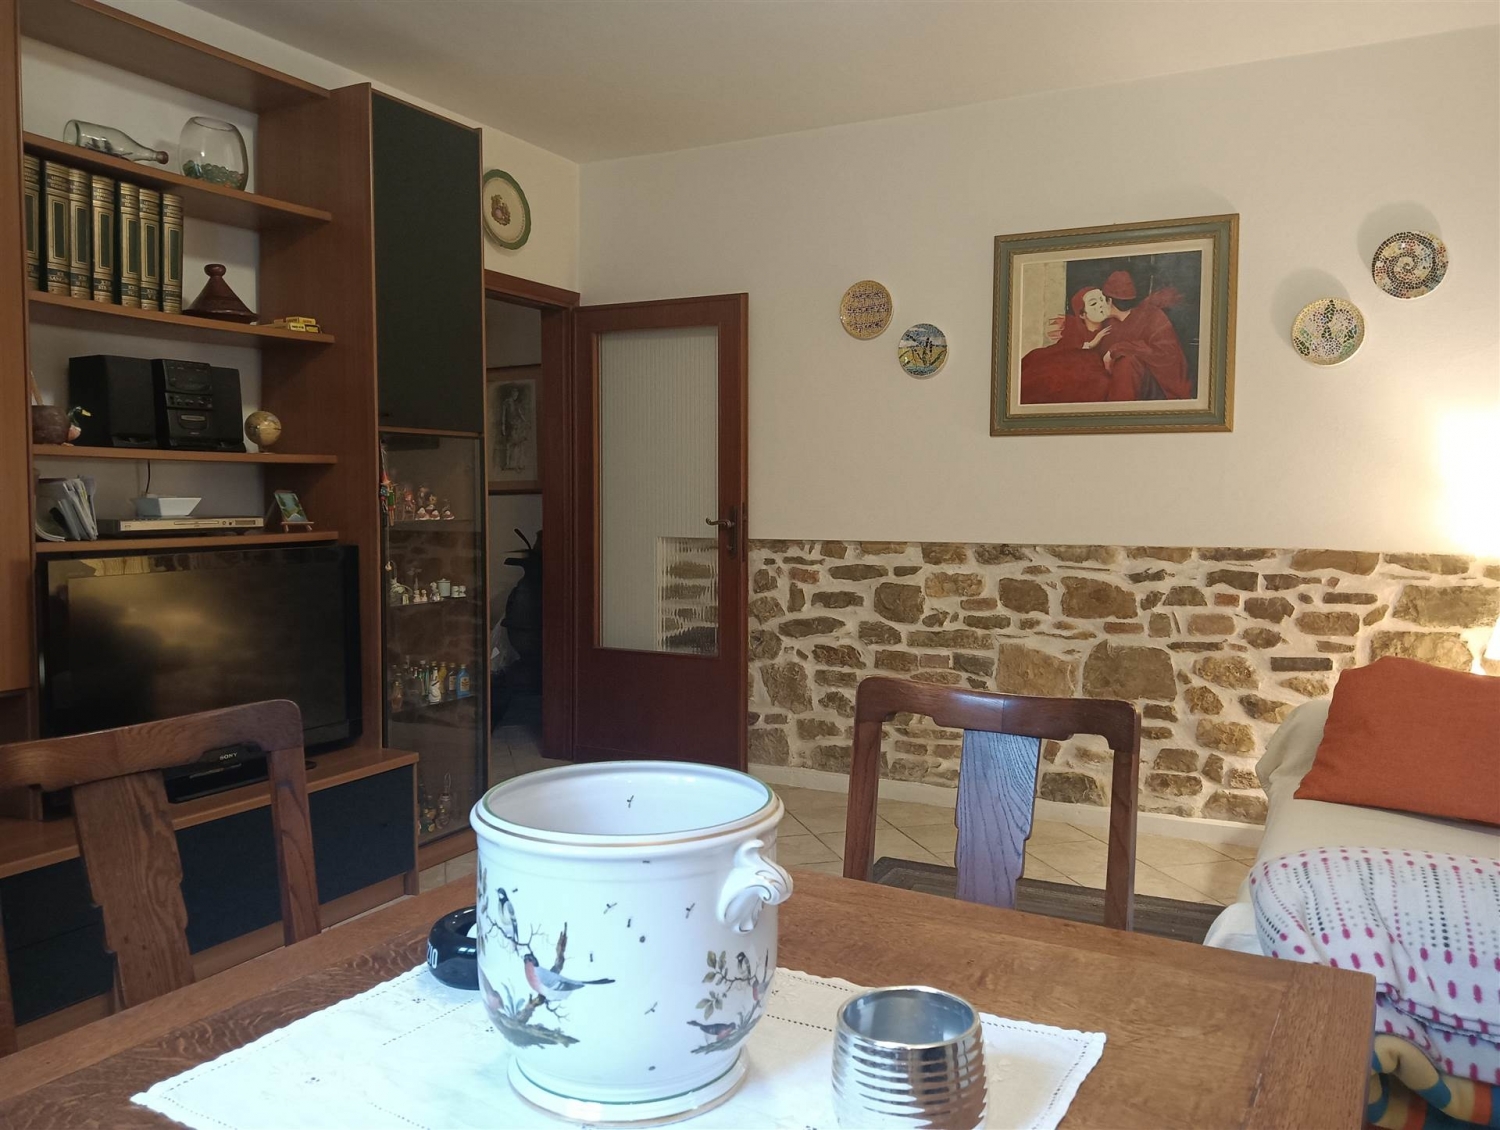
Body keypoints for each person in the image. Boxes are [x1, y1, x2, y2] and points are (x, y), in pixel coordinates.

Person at [1096, 270, 1192, 400]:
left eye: (1100, 300)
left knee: (1127, 363)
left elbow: (1167, 357)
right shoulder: (1105, 324)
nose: (1099, 306)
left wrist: (1116, 350)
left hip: (1157, 388)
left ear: (1109, 301)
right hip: (1113, 388)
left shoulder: (1153, 316)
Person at [1018, 286, 1114, 403]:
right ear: (1082, 314)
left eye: (1102, 299)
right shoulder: (1074, 329)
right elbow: (1066, 348)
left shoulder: (1112, 326)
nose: (1101, 305)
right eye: (1094, 303)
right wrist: (1091, 344)